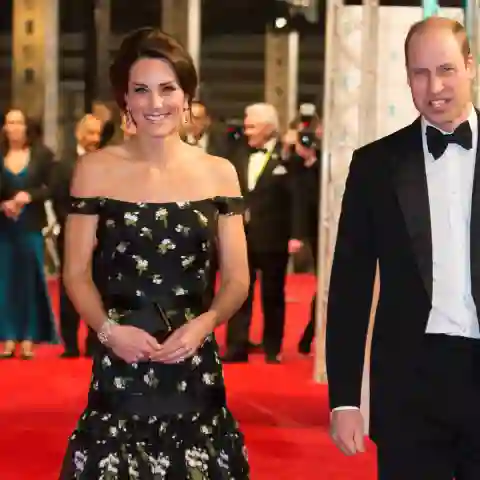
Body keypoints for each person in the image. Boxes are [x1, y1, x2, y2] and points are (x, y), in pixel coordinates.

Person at [60, 27, 250, 479]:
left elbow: (239, 278)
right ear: (124, 99)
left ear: (187, 96)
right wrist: (108, 332)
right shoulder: (94, 170)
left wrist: (205, 324)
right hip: (121, 363)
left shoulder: (219, 173)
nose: (155, 103)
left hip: (194, 363)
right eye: (141, 90)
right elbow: (75, 273)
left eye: (167, 89)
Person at [326, 17, 480, 479]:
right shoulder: (376, 165)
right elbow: (349, 287)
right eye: (420, 72)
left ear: (470, 67)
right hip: (410, 385)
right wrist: (345, 400)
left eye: (447, 69)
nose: (434, 86)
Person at [0, 108, 57, 359]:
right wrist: (3, 204)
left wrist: (29, 196)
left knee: (30, 282)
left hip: (31, 227)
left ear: (26, 127)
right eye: (9, 123)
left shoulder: (42, 155)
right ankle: (9, 336)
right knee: (6, 282)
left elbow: (53, 187)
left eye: (18, 122)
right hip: (4, 228)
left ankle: (29, 337)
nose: (13, 127)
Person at [51, 114, 103, 358]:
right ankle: (70, 343)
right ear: (79, 135)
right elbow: (59, 200)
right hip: (71, 237)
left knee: (98, 289)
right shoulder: (63, 164)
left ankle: (95, 342)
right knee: (69, 288)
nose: (95, 138)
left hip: (100, 238)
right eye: (90, 133)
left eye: (97, 133)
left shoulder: (107, 163)